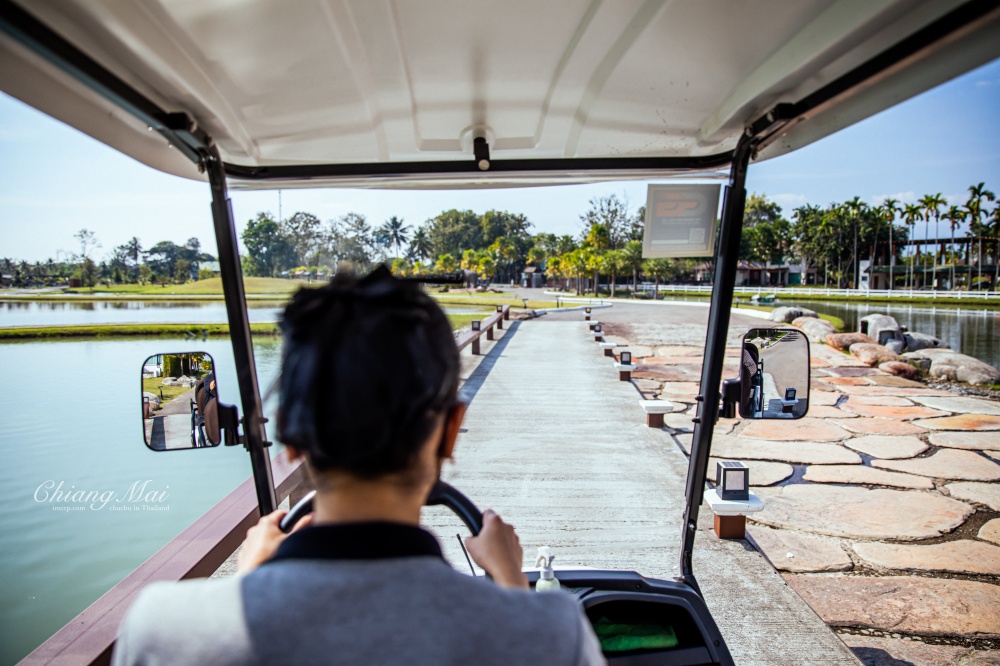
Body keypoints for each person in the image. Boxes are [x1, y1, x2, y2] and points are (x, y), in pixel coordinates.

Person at [113, 266, 605, 665]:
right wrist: (513, 586)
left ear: (290, 436)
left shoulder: (162, 631)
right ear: (452, 431)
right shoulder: (549, 633)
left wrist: (250, 583)